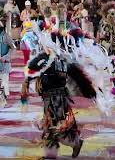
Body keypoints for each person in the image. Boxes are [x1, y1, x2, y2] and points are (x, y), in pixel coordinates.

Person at [20, 30, 98, 159]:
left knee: (57, 129)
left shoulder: (65, 60)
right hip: (48, 99)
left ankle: (75, 143)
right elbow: (32, 67)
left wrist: (91, 93)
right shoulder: (46, 57)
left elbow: (79, 78)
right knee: (50, 129)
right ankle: (51, 155)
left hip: (58, 99)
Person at [0, 13, 16, 107]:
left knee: (5, 81)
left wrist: (6, 57)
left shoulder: (6, 36)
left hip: (4, 63)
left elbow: (13, 47)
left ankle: (4, 98)